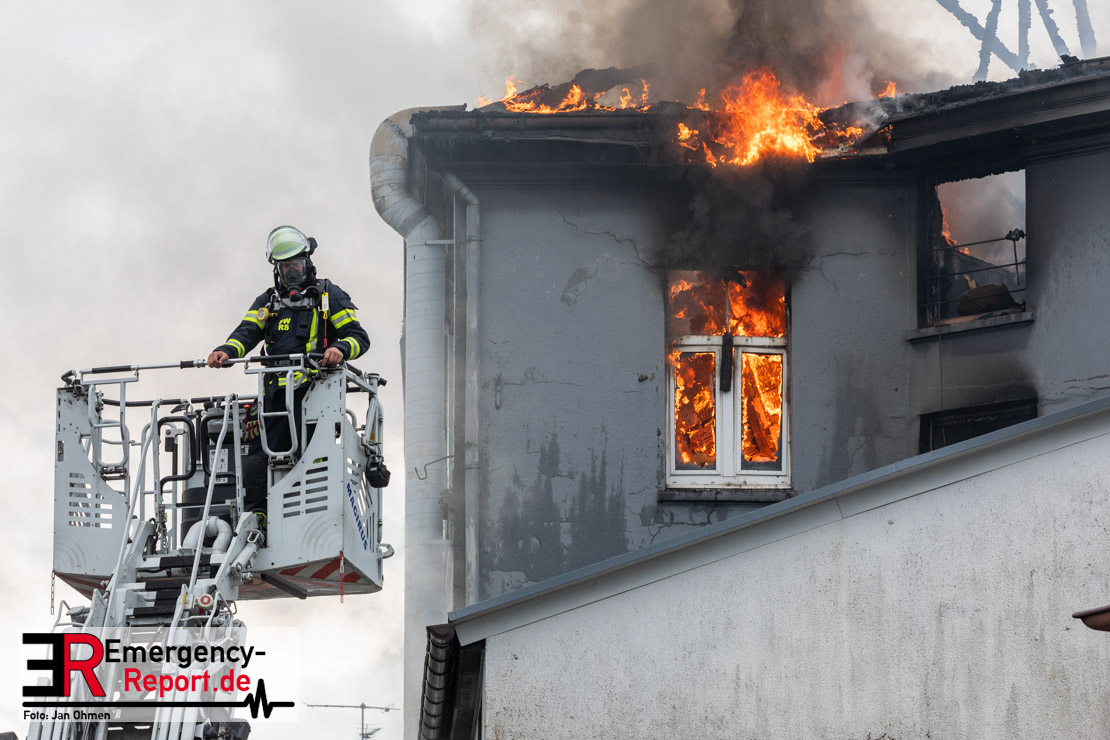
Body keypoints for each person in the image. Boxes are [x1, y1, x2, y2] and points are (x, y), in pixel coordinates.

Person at [207, 225, 371, 513]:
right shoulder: (268, 301)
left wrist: (340, 349)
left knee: (311, 460)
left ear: (308, 264)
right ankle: (258, 517)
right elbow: (247, 332)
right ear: (277, 270)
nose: (291, 272)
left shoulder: (328, 296)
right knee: (258, 462)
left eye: (296, 265)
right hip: (274, 398)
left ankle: (310, 514)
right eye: (285, 267)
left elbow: (359, 338)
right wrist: (226, 351)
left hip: (316, 394)